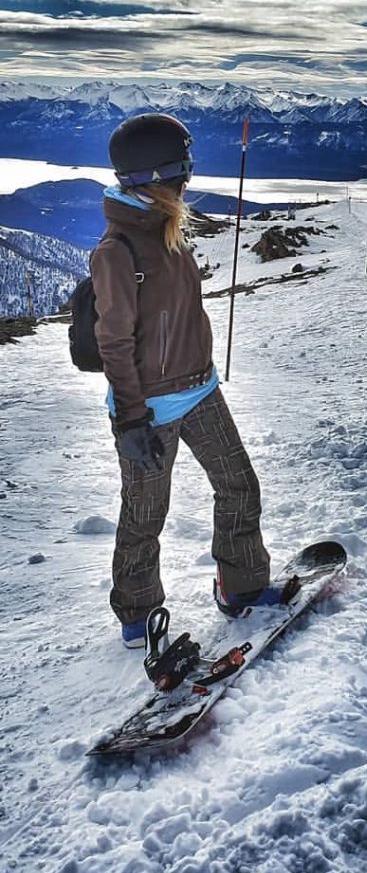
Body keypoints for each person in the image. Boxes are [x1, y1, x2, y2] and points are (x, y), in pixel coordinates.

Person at [92, 114, 288, 649]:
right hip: (149, 408)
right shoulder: (117, 251)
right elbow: (114, 342)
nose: (189, 180)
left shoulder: (167, 227)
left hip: (200, 390)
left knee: (239, 486)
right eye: (184, 170)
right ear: (161, 175)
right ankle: (138, 613)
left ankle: (242, 586)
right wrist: (131, 420)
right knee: (145, 514)